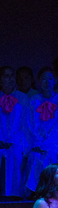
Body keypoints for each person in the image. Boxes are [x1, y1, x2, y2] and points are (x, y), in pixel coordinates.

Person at [23, 68, 58, 194]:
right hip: (37, 142)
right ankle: (34, 191)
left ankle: (50, 191)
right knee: (35, 155)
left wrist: (46, 143)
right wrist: (37, 142)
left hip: (53, 142)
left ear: (55, 81)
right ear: (39, 81)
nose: (47, 82)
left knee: (50, 155)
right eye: (43, 78)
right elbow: (29, 124)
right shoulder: (33, 100)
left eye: (50, 78)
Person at [0, 66, 27, 197]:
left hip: (16, 141)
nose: (10, 79)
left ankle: (15, 194)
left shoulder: (23, 98)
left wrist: (12, 140)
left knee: (15, 154)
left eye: (12, 75)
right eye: (6, 76)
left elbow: (25, 124)